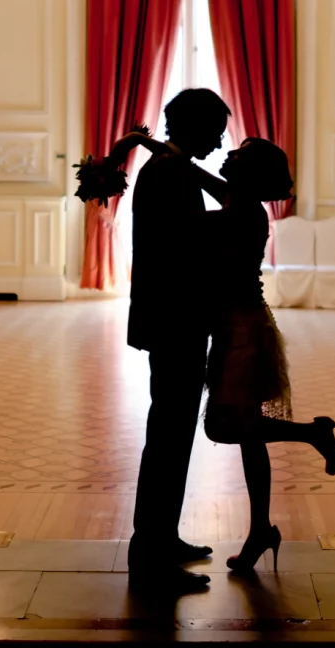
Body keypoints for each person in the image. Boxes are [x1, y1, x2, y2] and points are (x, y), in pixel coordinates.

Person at [88, 127, 335, 581]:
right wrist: (144, 146)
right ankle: (259, 531)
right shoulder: (238, 198)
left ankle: (314, 434)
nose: (228, 153)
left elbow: (184, 229)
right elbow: (192, 172)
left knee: (224, 426)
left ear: (252, 172)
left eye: (241, 153)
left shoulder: (242, 211)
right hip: (240, 326)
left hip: (241, 332)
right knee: (248, 433)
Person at [122, 88, 231, 594]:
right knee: (168, 437)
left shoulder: (169, 168)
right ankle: (151, 552)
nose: (219, 140)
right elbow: (183, 245)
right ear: (196, 126)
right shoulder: (169, 171)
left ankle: (162, 537)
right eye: (216, 130)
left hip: (173, 319)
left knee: (171, 434)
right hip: (176, 320)